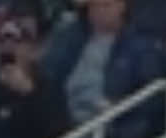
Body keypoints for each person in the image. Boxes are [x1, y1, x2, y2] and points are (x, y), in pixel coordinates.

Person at [41, 0, 156, 129]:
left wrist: (116, 107)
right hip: (62, 117)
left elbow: (147, 97)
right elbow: (48, 75)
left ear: (122, 6)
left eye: (106, 5)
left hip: (104, 124)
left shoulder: (140, 47)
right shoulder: (70, 37)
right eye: (94, 6)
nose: (99, 12)